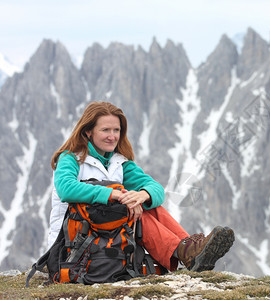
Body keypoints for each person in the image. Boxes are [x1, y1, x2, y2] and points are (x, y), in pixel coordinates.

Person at [48, 101, 234, 272]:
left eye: (116, 130)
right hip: (72, 247)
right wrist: (116, 194)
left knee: (147, 203)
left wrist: (143, 195)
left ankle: (190, 251)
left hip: (105, 239)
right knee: (129, 206)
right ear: (88, 131)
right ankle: (188, 254)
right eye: (105, 130)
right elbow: (66, 189)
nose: (112, 136)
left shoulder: (118, 162)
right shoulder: (71, 158)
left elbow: (156, 189)